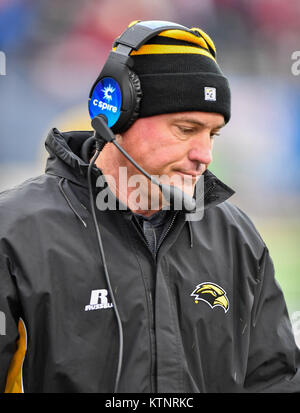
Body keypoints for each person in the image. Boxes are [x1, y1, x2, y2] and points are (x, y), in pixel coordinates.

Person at [0, 20, 300, 394]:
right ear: (116, 116)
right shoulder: (13, 232)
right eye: (186, 129)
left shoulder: (235, 235)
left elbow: (273, 379)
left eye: (213, 134)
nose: (204, 155)